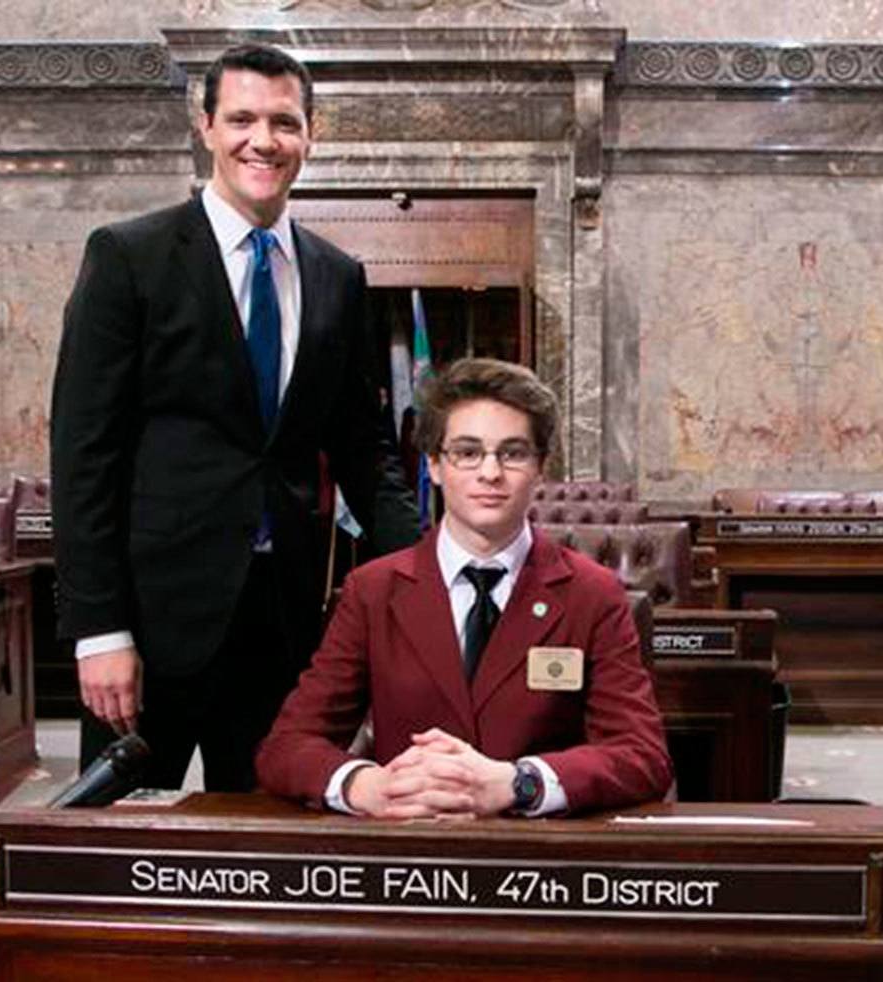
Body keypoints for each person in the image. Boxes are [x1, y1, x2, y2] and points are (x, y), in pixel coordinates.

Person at [50, 43, 418, 792]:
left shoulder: (336, 276)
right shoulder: (130, 257)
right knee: (116, 857)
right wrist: (99, 629)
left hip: (282, 627)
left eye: (284, 122)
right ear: (207, 126)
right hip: (151, 627)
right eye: (243, 118)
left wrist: (432, 572)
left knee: (262, 854)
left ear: (310, 135)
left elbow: (362, 451)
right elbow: (84, 454)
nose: (264, 140)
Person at [257, 359, 672, 817]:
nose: (490, 473)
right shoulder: (372, 591)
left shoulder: (592, 595)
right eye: (468, 452)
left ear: (541, 467)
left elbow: (642, 756)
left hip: (541, 863)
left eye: (512, 453)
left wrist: (520, 782)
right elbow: (287, 746)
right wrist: (365, 784)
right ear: (434, 464)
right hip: (410, 854)